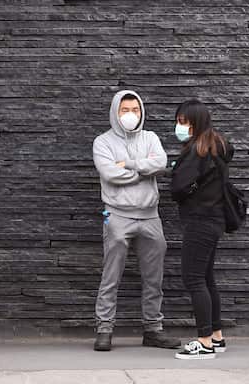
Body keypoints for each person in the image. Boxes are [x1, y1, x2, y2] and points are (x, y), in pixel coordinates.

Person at [90, 90, 181, 352]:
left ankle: (153, 329)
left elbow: (161, 162)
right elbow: (111, 175)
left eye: (135, 110)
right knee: (111, 274)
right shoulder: (103, 142)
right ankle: (104, 328)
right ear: (115, 111)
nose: (131, 115)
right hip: (116, 214)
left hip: (150, 215)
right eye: (125, 110)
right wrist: (143, 171)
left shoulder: (150, 138)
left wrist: (128, 164)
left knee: (154, 278)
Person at [170, 99, 234, 361]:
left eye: (183, 122)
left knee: (193, 278)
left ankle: (204, 342)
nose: (179, 126)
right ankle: (216, 336)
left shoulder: (197, 150)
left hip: (200, 220)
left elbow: (178, 190)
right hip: (215, 219)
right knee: (206, 277)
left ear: (195, 122)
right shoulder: (216, 145)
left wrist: (174, 173)